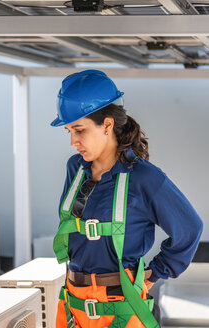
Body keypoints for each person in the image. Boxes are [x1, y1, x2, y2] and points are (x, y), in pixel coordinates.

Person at [51, 70, 203, 328]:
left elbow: (190, 229)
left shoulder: (144, 178)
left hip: (122, 310)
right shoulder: (75, 168)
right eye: (68, 131)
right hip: (74, 308)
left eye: (79, 130)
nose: (73, 141)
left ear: (107, 125)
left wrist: (155, 272)